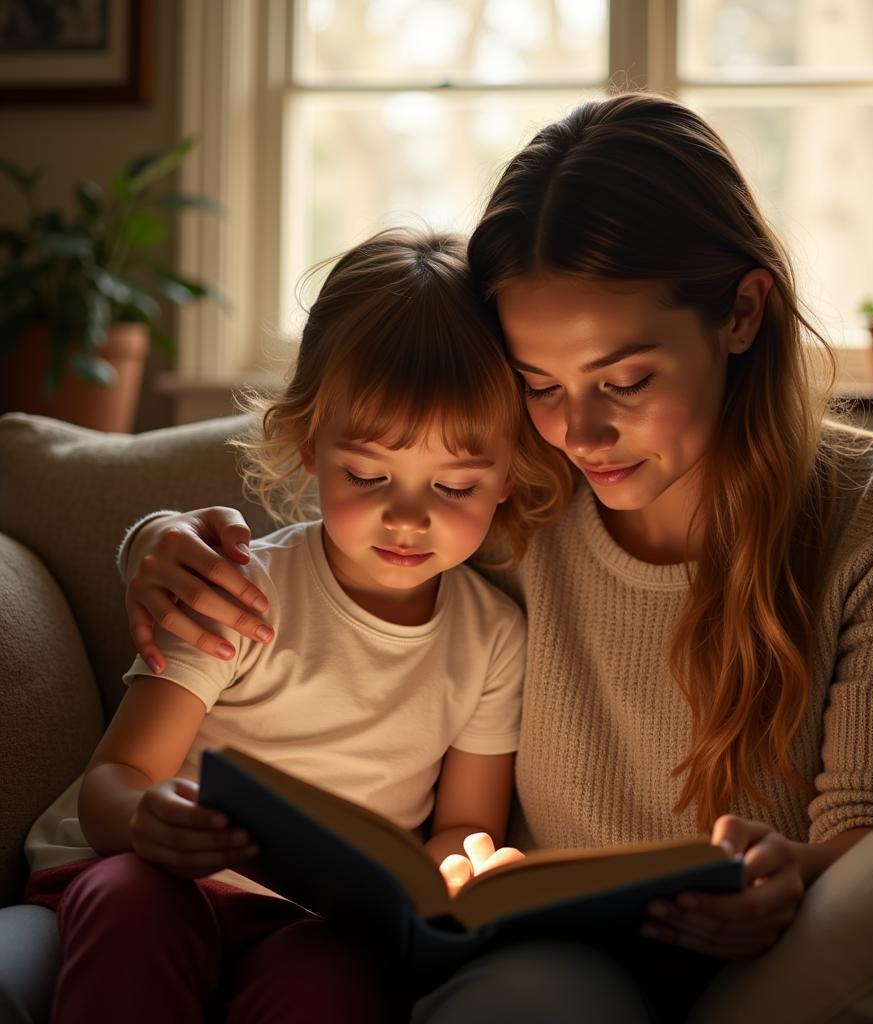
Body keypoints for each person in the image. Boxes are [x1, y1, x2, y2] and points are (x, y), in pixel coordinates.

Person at [113, 94, 873, 1021]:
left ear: (741, 311)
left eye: (627, 379)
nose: (581, 430)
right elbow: (358, 505)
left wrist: (793, 874)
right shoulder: (526, 487)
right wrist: (155, 539)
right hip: (547, 955)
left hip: (784, 957)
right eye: (539, 384)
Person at [20, 229, 574, 1024]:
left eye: (454, 485)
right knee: (137, 906)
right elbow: (115, 781)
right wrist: (149, 823)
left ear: (507, 479)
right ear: (310, 446)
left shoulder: (492, 639)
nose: (408, 516)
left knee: (337, 983)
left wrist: (458, 874)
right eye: (369, 474)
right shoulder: (242, 591)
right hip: (149, 876)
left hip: (310, 922)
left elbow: (464, 823)